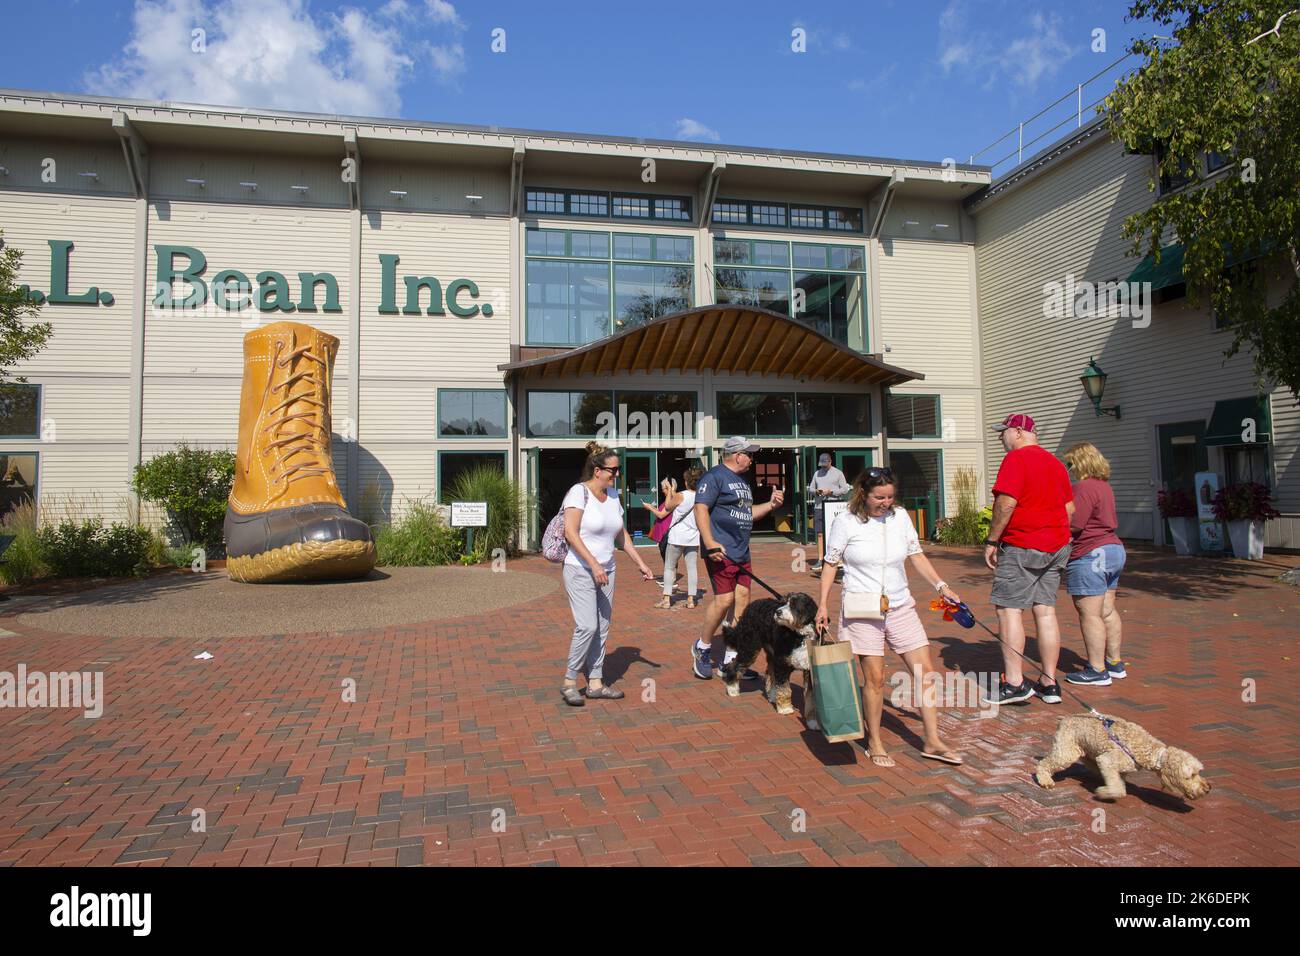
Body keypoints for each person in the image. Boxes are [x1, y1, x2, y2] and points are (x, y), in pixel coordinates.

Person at [815, 467, 964, 767]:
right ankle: (875, 741)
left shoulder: (901, 517)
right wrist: (822, 605)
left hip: (899, 605)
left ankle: (932, 740)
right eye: (879, 497)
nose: (886, 502)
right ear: (863, 494)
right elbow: (831, 564)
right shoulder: (846, 521)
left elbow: (916, 554)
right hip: (861, 608)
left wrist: (941, 585)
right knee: (876, 679)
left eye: (890, 496)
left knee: (925, 673)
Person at [981, 414, 1075, 706]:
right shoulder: (1055, 463)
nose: (1000, 437)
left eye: (1004, 432)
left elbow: (1006, 502)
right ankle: (1049, 682)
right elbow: (1069, 508)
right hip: (1056, 544)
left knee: (1009, 610)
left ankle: (1015, 682)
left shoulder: (1017, 460)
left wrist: (992, 539)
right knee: (1044, 611)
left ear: (1019, 431)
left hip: (1023, 543)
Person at [560, 442, 656, 706]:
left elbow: (620, 534)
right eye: (613, 470)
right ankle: (569, 681)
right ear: (597, 470)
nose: (617, 474)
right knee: (587, 626)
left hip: (607, 570)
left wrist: (640, 562)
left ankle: (595, 683)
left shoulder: (613, 496)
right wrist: (593, 564)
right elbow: (571, 532)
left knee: (602, 628)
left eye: (618, 470)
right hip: (580, 569)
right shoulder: (578, 493)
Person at [690, 437, 785, 679]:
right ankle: (702, 647)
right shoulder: (714, 477)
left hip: (742, 552)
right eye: (748, 454)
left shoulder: (742, 481)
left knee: (742, 600)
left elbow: (747, 513)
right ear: (736, 455)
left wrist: (771, 505)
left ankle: (732, 659)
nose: (751, 459)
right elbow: (700, 508)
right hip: (721, 551)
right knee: (724, 601)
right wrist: (710, 543)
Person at [1061, 442, 1127, 686]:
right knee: (1107, 610)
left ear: (1079, 462)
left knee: (1089, 612)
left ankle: (1097, 669)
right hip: (1114, 549)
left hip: (1091, 553)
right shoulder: (1104, 486)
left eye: (1070, 463)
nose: (1069, 468)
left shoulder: (1083, 487)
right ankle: (1114, 662)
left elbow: (1075, 523)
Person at [644, 467, 703, 609]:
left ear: (687, 481)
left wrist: (671, 490)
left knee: (669, 568)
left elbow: (668, 506)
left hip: (677, 536)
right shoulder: (702, 496)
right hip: (693, 536)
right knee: (692, 568)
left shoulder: (681, 495)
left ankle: (666, 599)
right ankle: (690, 599)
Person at [808, 452, 850, 572]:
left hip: (833, 507)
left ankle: (837, 558)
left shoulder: (838, 473)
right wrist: (817, 491)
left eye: (825, 464)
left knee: (835, 533)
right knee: (820, 533)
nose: (823, 467)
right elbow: (811, 488)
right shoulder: (817, 473)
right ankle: (821, 559)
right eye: (821, 465)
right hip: (819, 507)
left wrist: (831, 492)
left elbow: (845, 489)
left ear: (830, 461)